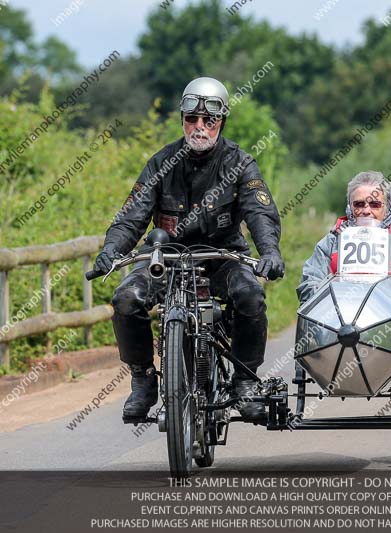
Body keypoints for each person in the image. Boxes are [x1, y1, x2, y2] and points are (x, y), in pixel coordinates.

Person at [92, 77, 284, 422]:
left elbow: (260, 212)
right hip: (166, 258)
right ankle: (143, 380)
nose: (199, 127)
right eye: (191, 119)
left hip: (223, 257)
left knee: (251, 297)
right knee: (125, 298)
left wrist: (269, 251)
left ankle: (245, 381)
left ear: (221, 121)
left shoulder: (240, 163)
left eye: (208, 120)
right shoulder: (160, 163)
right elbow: (132, 216)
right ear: (182, 120)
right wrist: (111, 249)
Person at [296, 171, 391, 311]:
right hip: (336, 320)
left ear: (387, 208)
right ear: (349, 207)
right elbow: (308, 288)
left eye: (375, 204)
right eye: (359, 204)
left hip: (387, 321)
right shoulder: (331, 242)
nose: (366, 210)